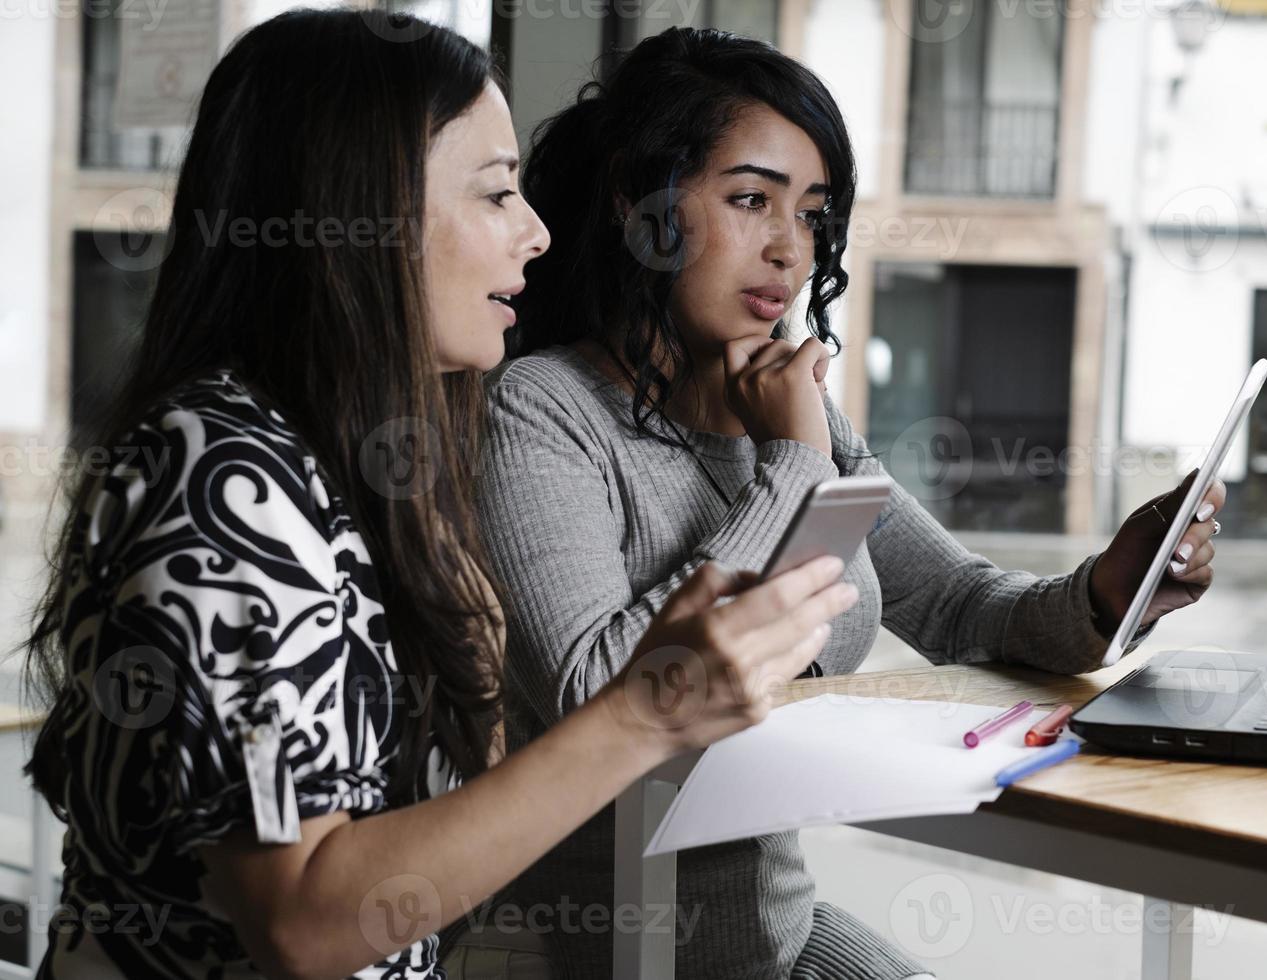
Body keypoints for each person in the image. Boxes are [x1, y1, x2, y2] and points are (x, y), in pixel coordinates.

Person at [21, 12, 856, 978]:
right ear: (361, 211)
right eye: (498, 194)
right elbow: (304, 922)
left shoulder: (359, 466)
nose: (537, 233)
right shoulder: (221, 471)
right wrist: (645, 711)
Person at [477, 26, 1227, 979]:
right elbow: (600, 693)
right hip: (628, 955)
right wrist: (791, 461)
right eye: (750, 200)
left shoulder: (791, 403)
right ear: (641, 208)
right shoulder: (543, 409)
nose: (790, 248)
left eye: (812, 212)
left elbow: (956, 606)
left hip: (782, 942)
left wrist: (1110, 592)